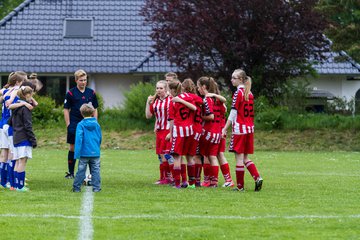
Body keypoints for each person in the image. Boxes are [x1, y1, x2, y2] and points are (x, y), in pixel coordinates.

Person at [222, 69, 263, 192]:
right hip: (249, 129)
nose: (231, 80)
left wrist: (224, 128)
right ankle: (257, 177)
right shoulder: (249, 93)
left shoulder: (238, 93)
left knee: (239, 159)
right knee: (245, 158)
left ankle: (240, 187)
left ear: (240, 80)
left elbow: (234, 112)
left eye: (234, 78)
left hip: (239, 129)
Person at [64, 69, 98, 179]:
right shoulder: (70, 93)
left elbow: (95, 108)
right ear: (76, 80)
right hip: (74, 123)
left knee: (87, 146)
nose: (83, 82)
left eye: (85, 80)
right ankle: (71, 172)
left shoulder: (91, 93)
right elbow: (66, 109)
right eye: (81, 80)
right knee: (73, 147)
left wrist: (95, 122)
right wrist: (68, 124)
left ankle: (90, 173)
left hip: (88, 124)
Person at [167, 80, 197, 189]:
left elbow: (171, 120)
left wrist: (170, 134)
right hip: (189, 130)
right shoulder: (188, 97)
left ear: (172, 90)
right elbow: (194, 108)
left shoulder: (173, 101)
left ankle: (177, 184)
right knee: (186, 156)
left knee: (176, 157)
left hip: (179, 131)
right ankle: (186, 181)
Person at [145, 80, 173, 184]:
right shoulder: (155, 101)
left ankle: (173, 177)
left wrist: (171, 131)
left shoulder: (171, 100)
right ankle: (164, 178)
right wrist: (148, 103)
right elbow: (148, 116)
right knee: (161, 155)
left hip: (168, 130)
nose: (159, 90)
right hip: (159, 131)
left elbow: (174, 117)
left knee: (168, 155)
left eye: (161, 88)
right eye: (157, 88)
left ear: (166, 89)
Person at [10, 86, 37, 192]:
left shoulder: (16, 107)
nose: (32, 97)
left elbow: (11, 121)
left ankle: (16, 185)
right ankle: (20, 187)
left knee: (17, 161)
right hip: (24, 138)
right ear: (27, 95)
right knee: (22, 161)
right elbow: (27, 125)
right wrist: (33, 140)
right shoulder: (25, 108)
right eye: (31, 95)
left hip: (16, 137)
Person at [72, 103, 102, 192]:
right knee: (96, 171)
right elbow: (100, 137)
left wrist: (77, 153)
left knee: (81, 170)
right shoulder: (97, 124)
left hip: (84, 153)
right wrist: (97, 147)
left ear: (81, 113)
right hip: (95, 151)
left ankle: (76, 188)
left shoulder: (81, 125)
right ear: (92, 113)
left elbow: (79, 139)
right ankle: (97, 188)